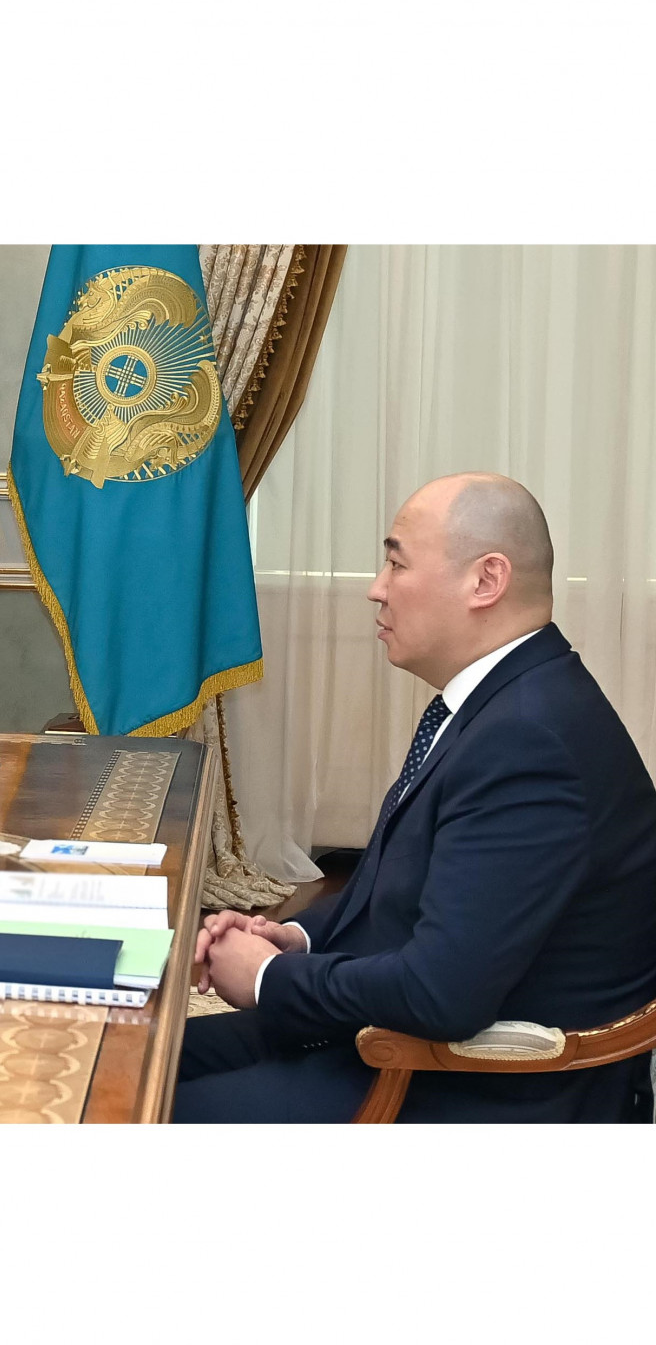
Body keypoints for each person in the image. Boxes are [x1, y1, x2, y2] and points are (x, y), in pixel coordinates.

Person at [179, 472, 656, 1122]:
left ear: (486, 581)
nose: (376, 588)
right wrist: (293, 938)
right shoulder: (503, 702)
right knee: (139, 1054)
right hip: (395, 1043)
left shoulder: (528, 738)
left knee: (132, 1106)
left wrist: (268, 977)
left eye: (396, 563)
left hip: (474, 1087)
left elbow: (442, 993)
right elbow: (398, 893)